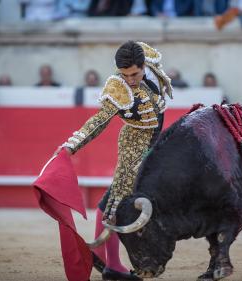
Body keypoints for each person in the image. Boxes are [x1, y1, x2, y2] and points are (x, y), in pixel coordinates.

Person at [55, 41, 173, 280]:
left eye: (134, 74)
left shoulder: (147, 59)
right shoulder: (118, 87)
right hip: (134, 144)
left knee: (119, 198)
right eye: (124, 74)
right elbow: (99, 121)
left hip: (155, 141)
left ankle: (104, 255)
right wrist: (71, 146)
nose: (130, 79)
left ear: (144, 66)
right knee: (117, 200)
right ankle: (113, 265)